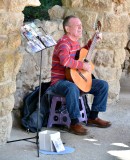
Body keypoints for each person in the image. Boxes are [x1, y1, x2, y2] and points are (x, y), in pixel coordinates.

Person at [48, 15, 111, 135]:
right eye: (77, 26)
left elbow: (82, 53)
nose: (80, 28)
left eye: (81, 26)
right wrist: (82, 66)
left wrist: (93, 41)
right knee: (71, 88)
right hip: (60, 82)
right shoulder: (64, 43)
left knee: (102, 85)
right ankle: (74, 122)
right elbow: (65, 61)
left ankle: (93, 117)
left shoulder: (75, 43)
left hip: (74, 80)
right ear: (67, 28)